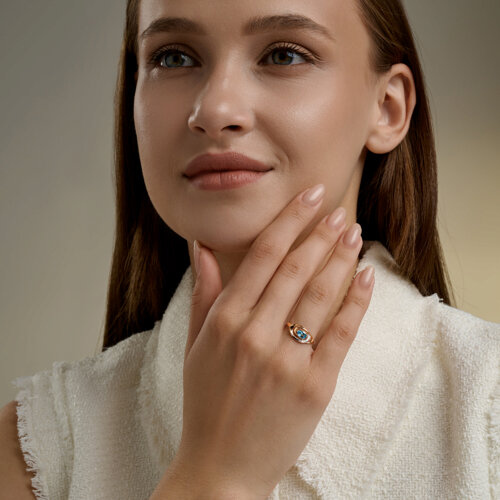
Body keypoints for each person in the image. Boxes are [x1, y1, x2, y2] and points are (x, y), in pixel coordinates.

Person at [0, 0, 498, 498]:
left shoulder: (486, 410)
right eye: (174, 57)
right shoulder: (34, 450)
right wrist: (213, 475)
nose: (215, 111)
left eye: (284, 55)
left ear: (387, 108)